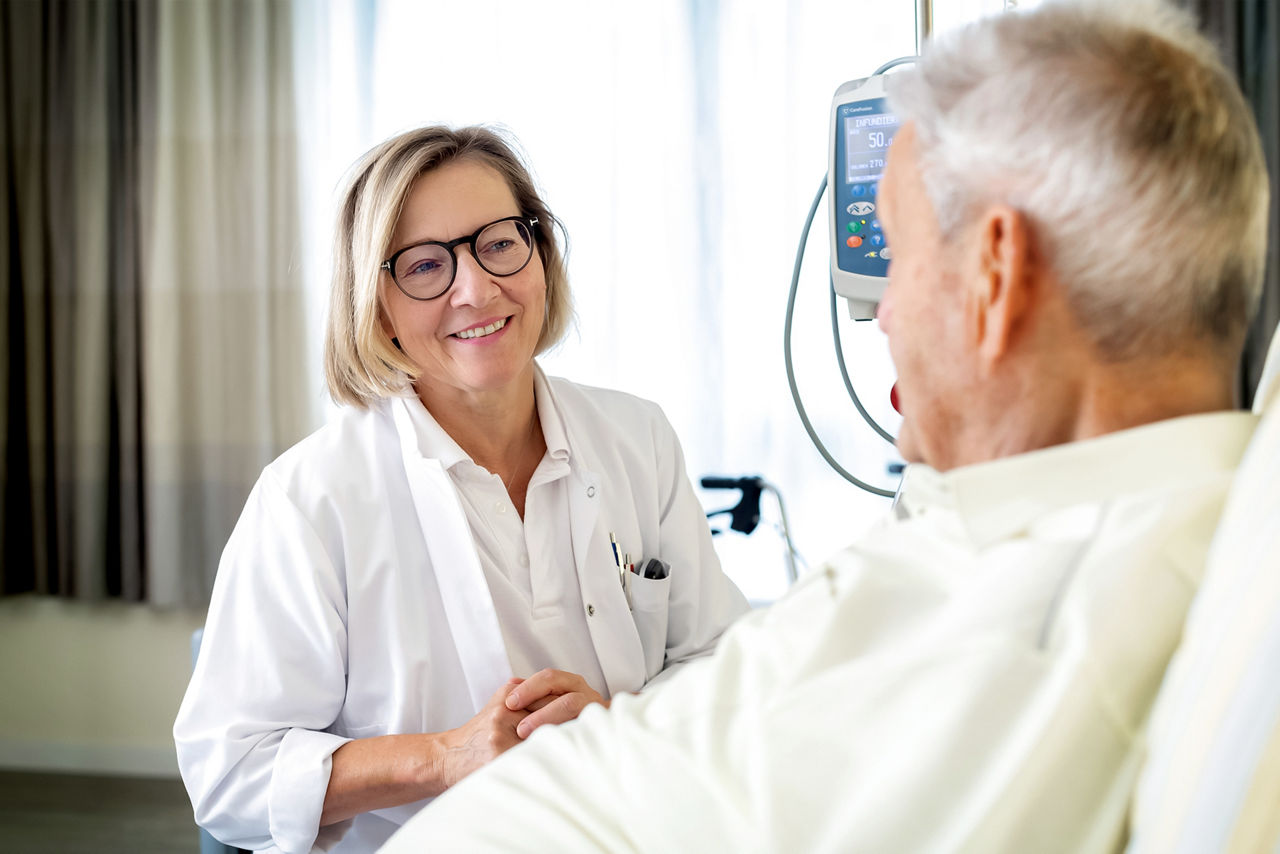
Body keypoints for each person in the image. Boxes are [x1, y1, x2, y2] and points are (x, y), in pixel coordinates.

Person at [379, 1, 1271, 851]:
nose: (884, 318)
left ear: (996, 278)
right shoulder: (1022, 531)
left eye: (900, 254)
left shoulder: (1032, 635)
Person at [172, 126, 749, 853]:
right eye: (424, 265)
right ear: (376, 306)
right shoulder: (309, 499)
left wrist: (614, 728)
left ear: (541, 254)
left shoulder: (639, 437)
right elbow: (230, 775)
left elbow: (721, 667)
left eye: (499, 243)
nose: (476, 290)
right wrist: (447, 757)